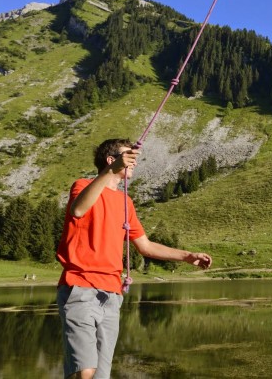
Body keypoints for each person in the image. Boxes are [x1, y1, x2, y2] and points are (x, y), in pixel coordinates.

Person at [56, 138, 212, 379]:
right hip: (80, 287)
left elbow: (145, 246)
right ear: (111, 160)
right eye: (127, 157)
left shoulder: (126, 202)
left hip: (111, 295)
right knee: (84, 371)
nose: (133, 163)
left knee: (100, 375)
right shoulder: (83, 185)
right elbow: (78, 210)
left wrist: (186, 256)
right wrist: (109, 171)